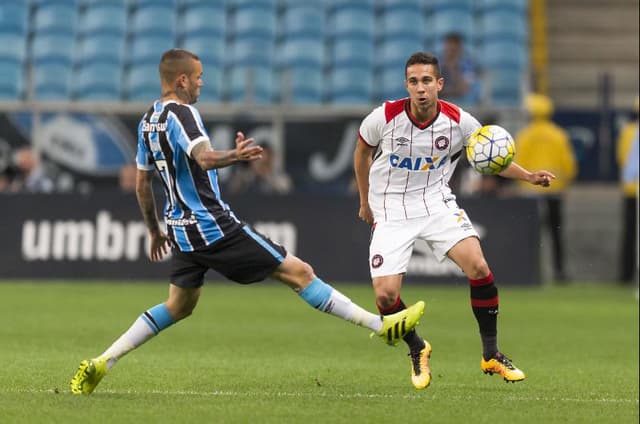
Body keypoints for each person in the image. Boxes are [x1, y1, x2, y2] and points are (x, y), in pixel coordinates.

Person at [69, 49, 425, 395]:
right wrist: (236, 156)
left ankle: (104, 361)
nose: (201, 84)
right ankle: (381, 327)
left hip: (180, 231)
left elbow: (142, 183)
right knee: (299, 273)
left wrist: (152, 230)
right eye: (198, 77)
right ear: (181, 80)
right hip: (212, 226)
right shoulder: (183, 115)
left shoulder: (148, 120)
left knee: (179, 306)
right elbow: (205, 158)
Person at [353, 52, 555, 390]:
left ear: (439, 84)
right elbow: (361, 151)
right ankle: (417, 348)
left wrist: (529, 176)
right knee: (386, 298)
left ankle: (491, 354)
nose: (421, 89)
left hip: (435, 202)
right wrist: (364, 200)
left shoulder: (459, 121)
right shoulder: (384, 116)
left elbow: (490, 158)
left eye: (427, 81)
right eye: (414, 82)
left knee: (478, 266)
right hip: (390, 208)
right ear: (407, 85)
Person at [514, 93, 577, 282]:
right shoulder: (558, 134)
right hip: (555, 191)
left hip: (530, 193)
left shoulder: (525, 135)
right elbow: (568, 164)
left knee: (531, 235)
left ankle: (529, 272)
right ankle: (559, 272)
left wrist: (520, 184)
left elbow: (518, 161)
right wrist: (565, 184)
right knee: (556, 234)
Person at [615, 98, 639, 284]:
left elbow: (622, 157)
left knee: (630, 235)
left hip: (631, 189)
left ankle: (626, 275)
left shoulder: (627, 131)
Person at [227, 142, 293, 195]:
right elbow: (233, 191)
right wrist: (246, 178)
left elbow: (287, 192)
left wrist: (267, 177)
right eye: (257, 159)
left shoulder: (280, 178)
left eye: (265, 162)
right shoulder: (244, 176)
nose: (261, 163)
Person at [438, 32, 480, 105]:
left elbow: (463, 89)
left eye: (453, 50)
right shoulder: (437, 63)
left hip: (465, 105)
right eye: (448, 47)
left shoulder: (468, 65)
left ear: (460, 49)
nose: (450, 52)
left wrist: (453, 68)